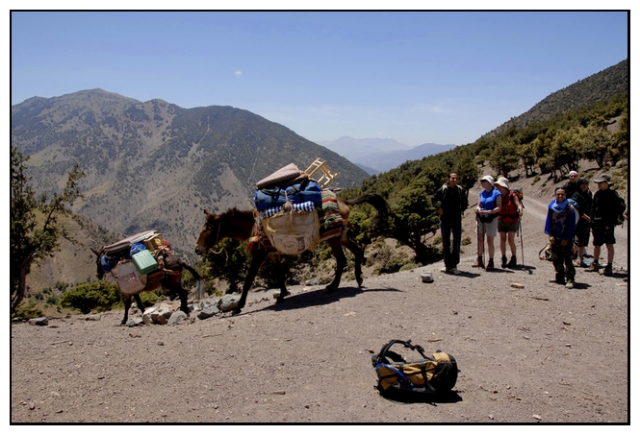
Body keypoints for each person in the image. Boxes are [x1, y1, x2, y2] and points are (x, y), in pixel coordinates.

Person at [432, 172, 469, 274]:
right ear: (448, 179)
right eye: (452, 178)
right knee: (446, 243)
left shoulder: (460, 190)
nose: (454, 180)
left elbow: (465, 203)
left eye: (456, 178)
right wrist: (438, 208)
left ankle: (454, 265)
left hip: (457, 220)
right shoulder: (443, 190)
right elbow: (434, 198)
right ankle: (447, 265)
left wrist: (461, 210)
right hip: (445, 220)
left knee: (456, 243)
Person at [589, 174, 625, 276]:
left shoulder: (613, 195)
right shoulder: (597, 194)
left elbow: (618, 208)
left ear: (606, 183)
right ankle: (595, 263)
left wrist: (611, 222)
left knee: (609, 243)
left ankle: (609, 266)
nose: (598, 185)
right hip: (597, 223)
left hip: (608, 224)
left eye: (600, 183)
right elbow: (593, 207)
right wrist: (591, 220)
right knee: (596, 243)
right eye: (598, 183)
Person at [544, 187, 579, 288]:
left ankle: (570, 278)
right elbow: (549, 221)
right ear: (555, 194)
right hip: (555, 237)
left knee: (568, 259)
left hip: (566, 238)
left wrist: (567, 238)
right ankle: (560, 275)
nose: (560, 196)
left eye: (562, 194)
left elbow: (572, 224)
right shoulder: (551, 206)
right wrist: (550, 235)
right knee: (556, 258)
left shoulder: (570, 207)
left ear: (565, 195)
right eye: (558, 194)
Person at [472, 175, 502, 271]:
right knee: (480, 239)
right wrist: (478, 209)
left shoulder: (496, 193)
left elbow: (499, 207)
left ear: (489, 182)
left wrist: (489, 212)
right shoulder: (481, 193)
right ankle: (479, 259)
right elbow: (479, 205)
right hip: (481, 218)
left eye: (484, 181)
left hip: (492, 218)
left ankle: (491, 261)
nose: (482, 182)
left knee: (490, 241)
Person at [495, 177, 523, 268]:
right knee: (502, 239)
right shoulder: (497, 195)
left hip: (512, 220)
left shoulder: (512, 194)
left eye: (499, 186)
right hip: (501, 220)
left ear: (504, 186)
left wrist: (520, 209)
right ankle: (503, 257)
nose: (497, 187)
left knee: (511, 240)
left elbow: (518, 204)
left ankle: (513, 257)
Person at [571, 178, 592, 268]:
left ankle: (579, 259)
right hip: (579, 221)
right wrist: (588, 218)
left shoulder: (588, 196)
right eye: (582, 184)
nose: (584, 186)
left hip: (587, 222)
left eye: (585, 184)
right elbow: (578, 210)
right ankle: (573, 256)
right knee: (578, 241)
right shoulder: (576, 196)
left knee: (584, 241)